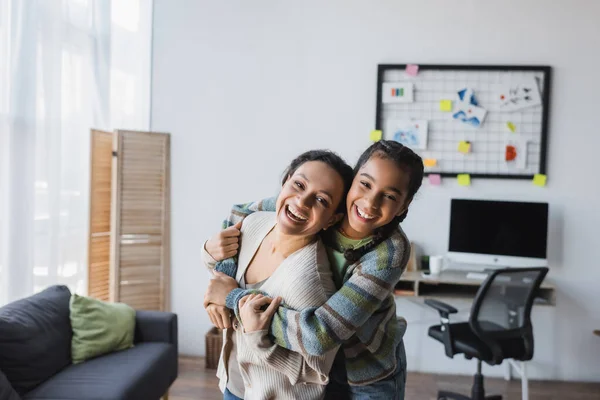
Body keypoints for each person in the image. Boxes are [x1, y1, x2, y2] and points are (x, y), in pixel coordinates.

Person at [204, 140, 424, 399]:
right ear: (353, 180)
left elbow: (320, 335)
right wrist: (223, 271)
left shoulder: (390, 253)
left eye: (389, 196)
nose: (370, 202)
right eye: (365, 184)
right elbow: (239, 213)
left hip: (364, 369)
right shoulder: (323, 204)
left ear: (404, 206)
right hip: (314, 367)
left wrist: (232, 299)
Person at [202, 150, 354, 400]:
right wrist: (211, 260)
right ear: (285, 182)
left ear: (332, 219)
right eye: (299, 184)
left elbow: (315, 372)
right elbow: (222, 270)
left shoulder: (310, 282)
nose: (302, 202)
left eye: (321, 200)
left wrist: (258, 338)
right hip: (233, 382)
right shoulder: (253, 224)